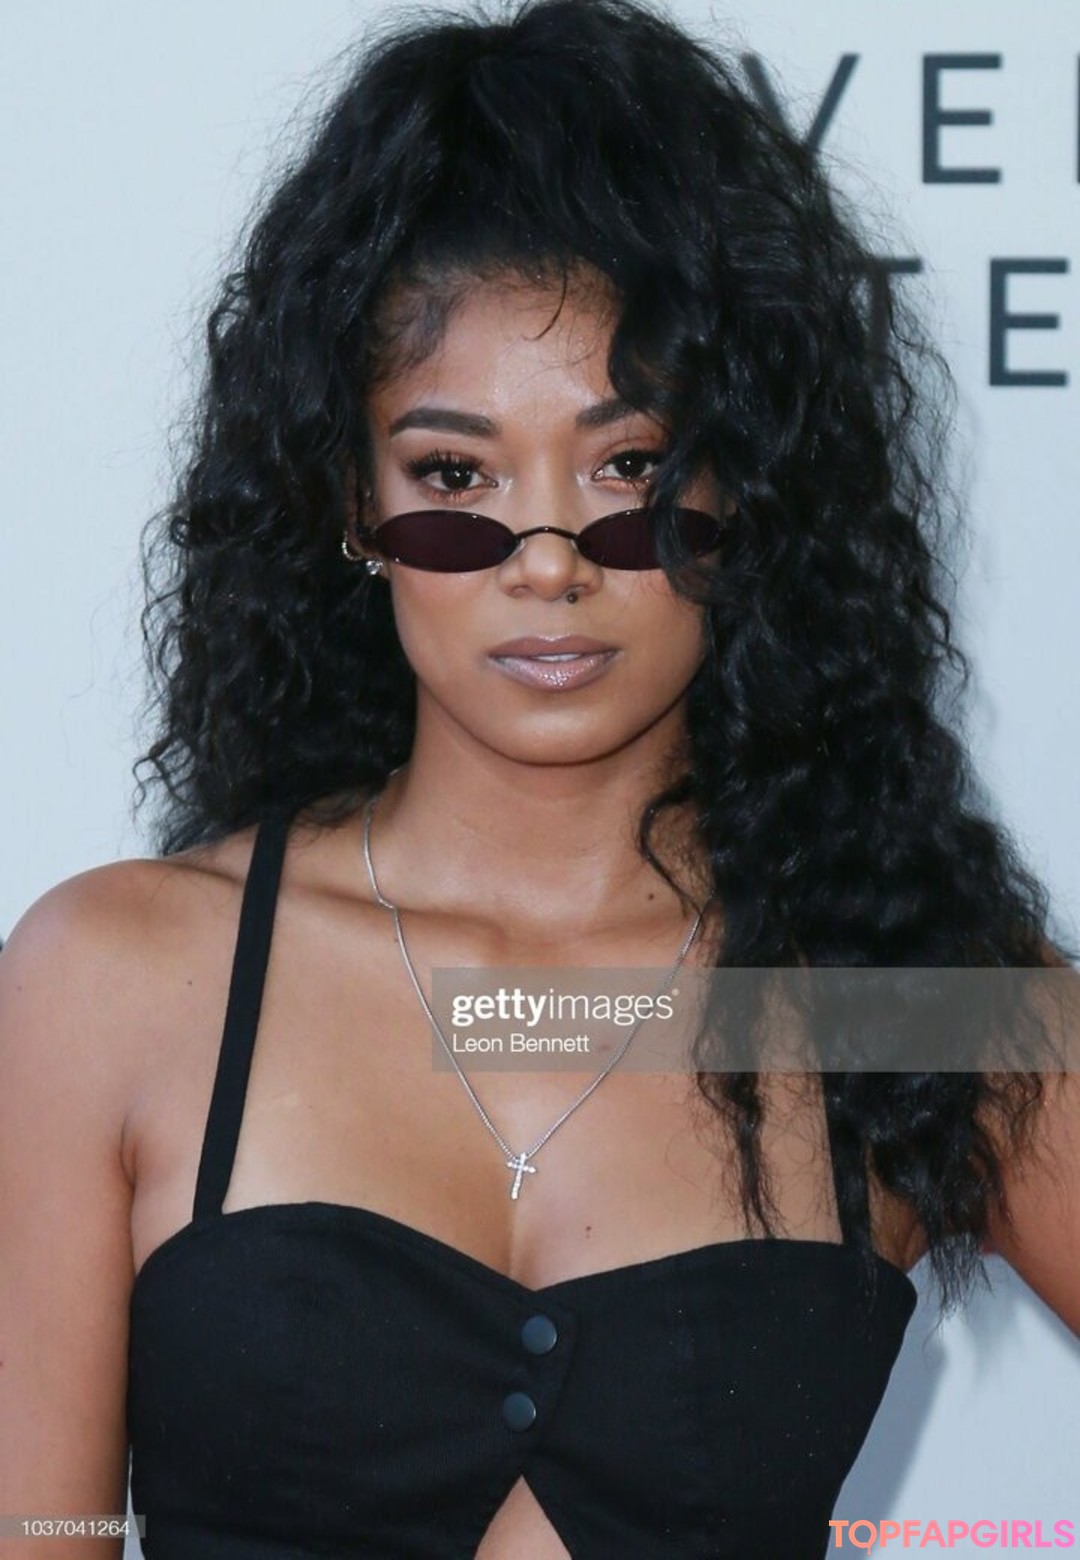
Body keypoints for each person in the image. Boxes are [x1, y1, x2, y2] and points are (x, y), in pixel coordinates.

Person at [1, 0, 1077, 1555]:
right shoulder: (116, 982)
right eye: (456, 478)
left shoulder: (902, 998)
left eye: (631, 469)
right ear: (353, 508)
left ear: (746, 489)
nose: (550, 563)